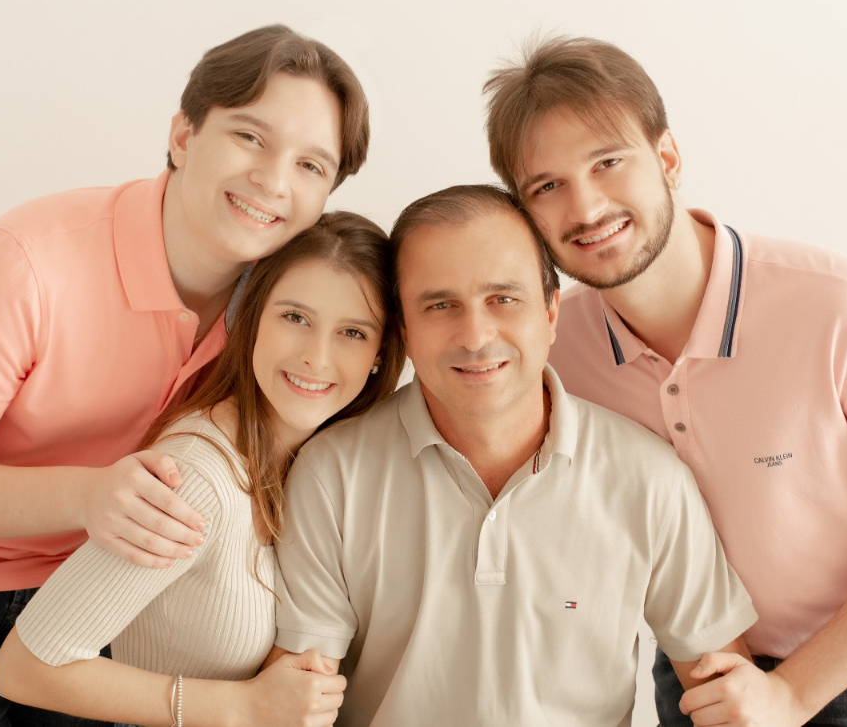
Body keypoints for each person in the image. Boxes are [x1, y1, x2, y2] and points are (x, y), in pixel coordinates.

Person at [483, 35, 847, 726]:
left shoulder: (843, 306)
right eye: (546, 186)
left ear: (667, 158)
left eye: (607, 162)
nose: (583, 208)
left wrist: (791, 694)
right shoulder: (557, 354)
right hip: (705, 660)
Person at [0, 24, 370, 726]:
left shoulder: (284, 310)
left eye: (312, 166)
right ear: (184, 136)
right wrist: (86, 495)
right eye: (250, 137)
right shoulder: (27, 263)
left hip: (101, 582)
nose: (274, 180)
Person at [270, 185, 755, 726]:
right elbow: (295, 703)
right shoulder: (332, 474)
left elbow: (726, 694)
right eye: (440, 305)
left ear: (551, 312)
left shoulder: (650, 479)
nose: (475, 335)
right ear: (404, 330)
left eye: (503, 299)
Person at [0, 211, 405, 727]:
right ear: (253, 318)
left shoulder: (329, 461)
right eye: (294, 317)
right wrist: (243, 707)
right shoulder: (196, 479)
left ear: (379, 353)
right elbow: (28, 666)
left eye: (351, 332)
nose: (316, 358)